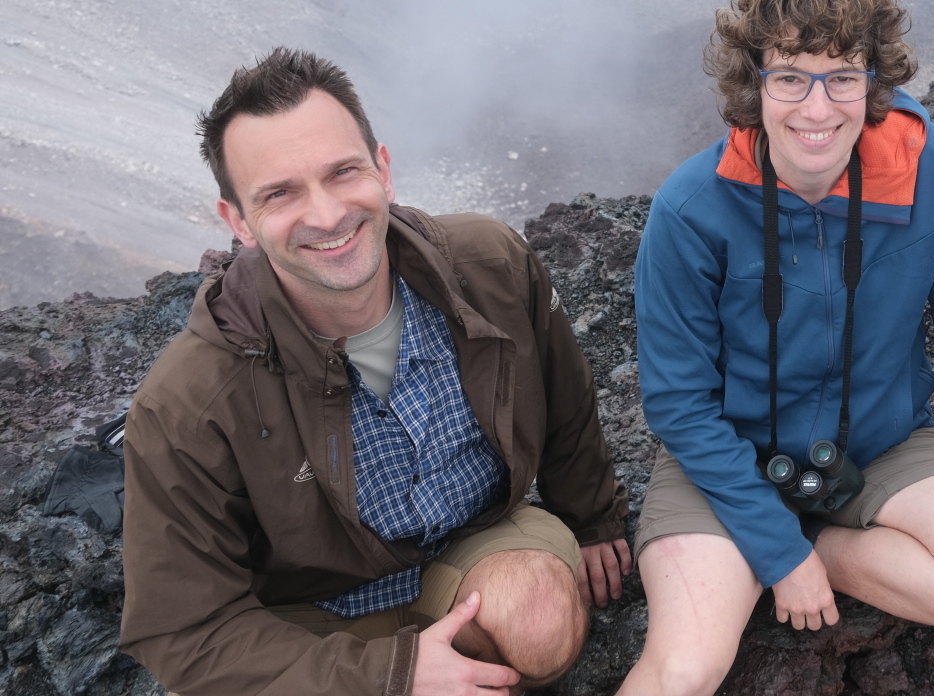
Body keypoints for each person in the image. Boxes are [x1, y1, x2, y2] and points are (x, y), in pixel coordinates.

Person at [620, 0, 934, 695]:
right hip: (725, 462)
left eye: (843, 76)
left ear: (874, 80)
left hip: (881, 445)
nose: (818, 109)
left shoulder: (929, 168)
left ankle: (833, 548)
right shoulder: (690, 208)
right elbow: (679, 406)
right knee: (684, 670)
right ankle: (764, 556)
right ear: (755, 84)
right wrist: (778, 553)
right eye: (790, 78)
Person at [119, 49, 632, 696]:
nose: (328, 214)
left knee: (538, 621)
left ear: (383, 170)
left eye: (343, 172)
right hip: (310, 618)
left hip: (471, 539)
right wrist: (391, 676)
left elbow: (563, 393)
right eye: (280, 193)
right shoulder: (188, 402)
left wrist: (592, 519)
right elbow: (186, 632)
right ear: (238, 222)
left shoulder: (490, 264)